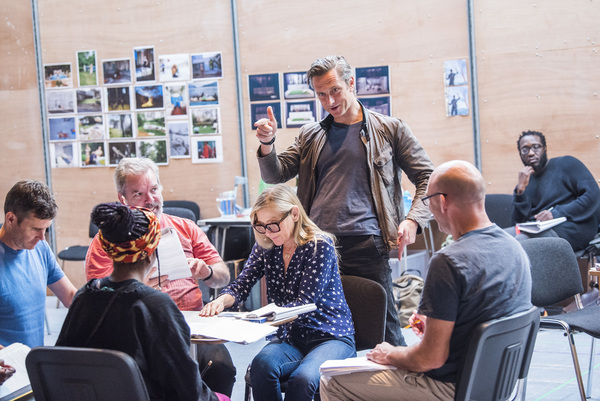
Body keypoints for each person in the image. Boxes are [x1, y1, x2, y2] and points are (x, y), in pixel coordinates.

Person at [254, 55, 434, 347]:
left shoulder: (390, 129)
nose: (329, 100)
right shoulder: (311, 135)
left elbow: (428, 176)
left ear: (351, 83)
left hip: (367, 245)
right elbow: (276, 173)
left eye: (334, 90)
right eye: (321, 94)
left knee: (384, 332)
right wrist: (267, 143)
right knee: (319, 331)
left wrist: (413, 219)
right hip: (317, 247)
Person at [320, 160, 533, 401]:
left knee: (333, 381)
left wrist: (391, 353)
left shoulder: (448, 261)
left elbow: (430, 359)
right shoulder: (515, 248)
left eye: (427, 200)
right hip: (499, 386)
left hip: (453, 388)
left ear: (442, 201)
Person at [84, 157, 235, 397]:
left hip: (192, 323)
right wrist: (136, 287)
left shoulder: (186, 227)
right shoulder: (108, 241)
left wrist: (205, 271)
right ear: (122, 199)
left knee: (220, 366)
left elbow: (223, 277)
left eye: (154, 190)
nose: (151, 200)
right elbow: (99, 295)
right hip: (135, 328)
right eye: (139, 194)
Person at [57, 203, 228, 401]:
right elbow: (189, 389)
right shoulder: (156, 305)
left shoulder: (83, 298)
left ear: (109, 251)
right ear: (151, 253)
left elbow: (62, 366)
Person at [200, 184, 356, 401]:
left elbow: (305, 303)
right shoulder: (266, 245)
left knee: (303, 380)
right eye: (261, 226)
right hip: (291, 338)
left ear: (294, 214)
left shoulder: (320, 245)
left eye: (273, 225)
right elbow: (242, 284)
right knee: (261, 366)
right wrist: (221, 302)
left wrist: (256, 319)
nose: (267, 233)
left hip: (329, 337)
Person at [0, 180, 77, 349]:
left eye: (46, 229)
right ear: (11, 219)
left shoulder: (39, 247)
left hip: (32, 364)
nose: (42, 238)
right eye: (35, 229)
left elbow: (70, 296)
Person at [510, 130, 600, 252]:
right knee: (502, 239)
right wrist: (520, 191)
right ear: (520, 153)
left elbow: (593, 195)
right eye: (525, 149)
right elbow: (518, 222)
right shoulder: (526, 181)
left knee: (521, 242)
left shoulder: (567, 163)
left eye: (536, 147)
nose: (530, 153)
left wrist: (556, 213)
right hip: (541, 228)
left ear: (545, 149)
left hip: (574, 226)